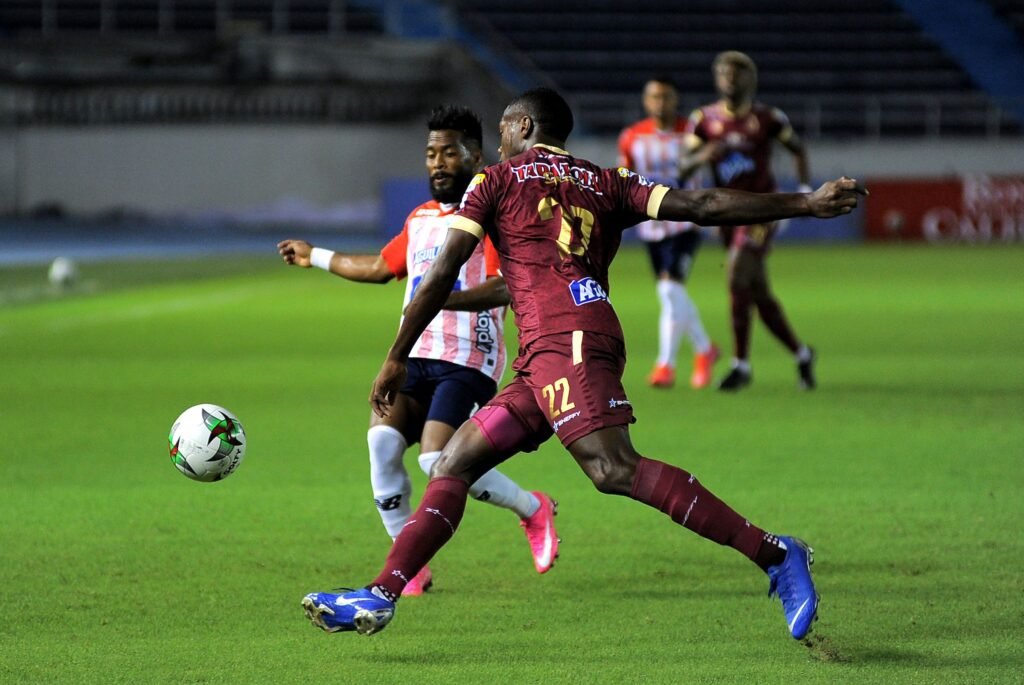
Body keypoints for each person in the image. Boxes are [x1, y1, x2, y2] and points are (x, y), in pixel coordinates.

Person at [300, 88, 864, 640]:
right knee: (452, 464)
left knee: (613, 469)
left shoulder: (493, 181)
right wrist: (804, 203)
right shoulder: (607, 179)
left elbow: (445, 267)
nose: (498, 143)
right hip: (554, 349)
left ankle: (775, 553)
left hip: (565, 343)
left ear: (523, 126)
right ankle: (381, 592)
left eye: (502, 130)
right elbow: (702, 205)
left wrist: (397, 355)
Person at [279, 105, 560, 596]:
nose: (437, 162)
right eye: (431, 153)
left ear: (474, 155)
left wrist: (445, 298)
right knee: (381, 444)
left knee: (436, 461)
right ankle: (410, 567)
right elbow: (381, 267)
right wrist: (315, 256)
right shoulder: (421, 218)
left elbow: (506, 287)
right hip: (415, 357)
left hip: (469, 358)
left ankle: (534, 509)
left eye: (449, 152)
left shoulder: (492, 211)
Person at [678, 51, 816, 392]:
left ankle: (740, 364)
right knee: (757, 293)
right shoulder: (704, 120)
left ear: (750, 80)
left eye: (737, 73)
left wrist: (802, 192)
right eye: (724, 73)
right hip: (726, 213)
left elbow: (797, 148)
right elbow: (682, 166)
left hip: (762, 210)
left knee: (737, 270)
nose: (729, 79)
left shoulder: (768, 118)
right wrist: (700, 157)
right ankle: (801, 354)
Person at [618, 76, 718, 389]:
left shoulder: (692, 132)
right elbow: (625, 177)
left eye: (667, 97)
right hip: (651, 224)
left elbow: (709, 170)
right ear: (647, 101)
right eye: (655, 97)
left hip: (687, 219)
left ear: (676, 100)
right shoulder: (633, 136)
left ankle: (666, 365)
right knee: (670, 292)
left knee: (669, 290)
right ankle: (705, 349)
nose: (661, 103)